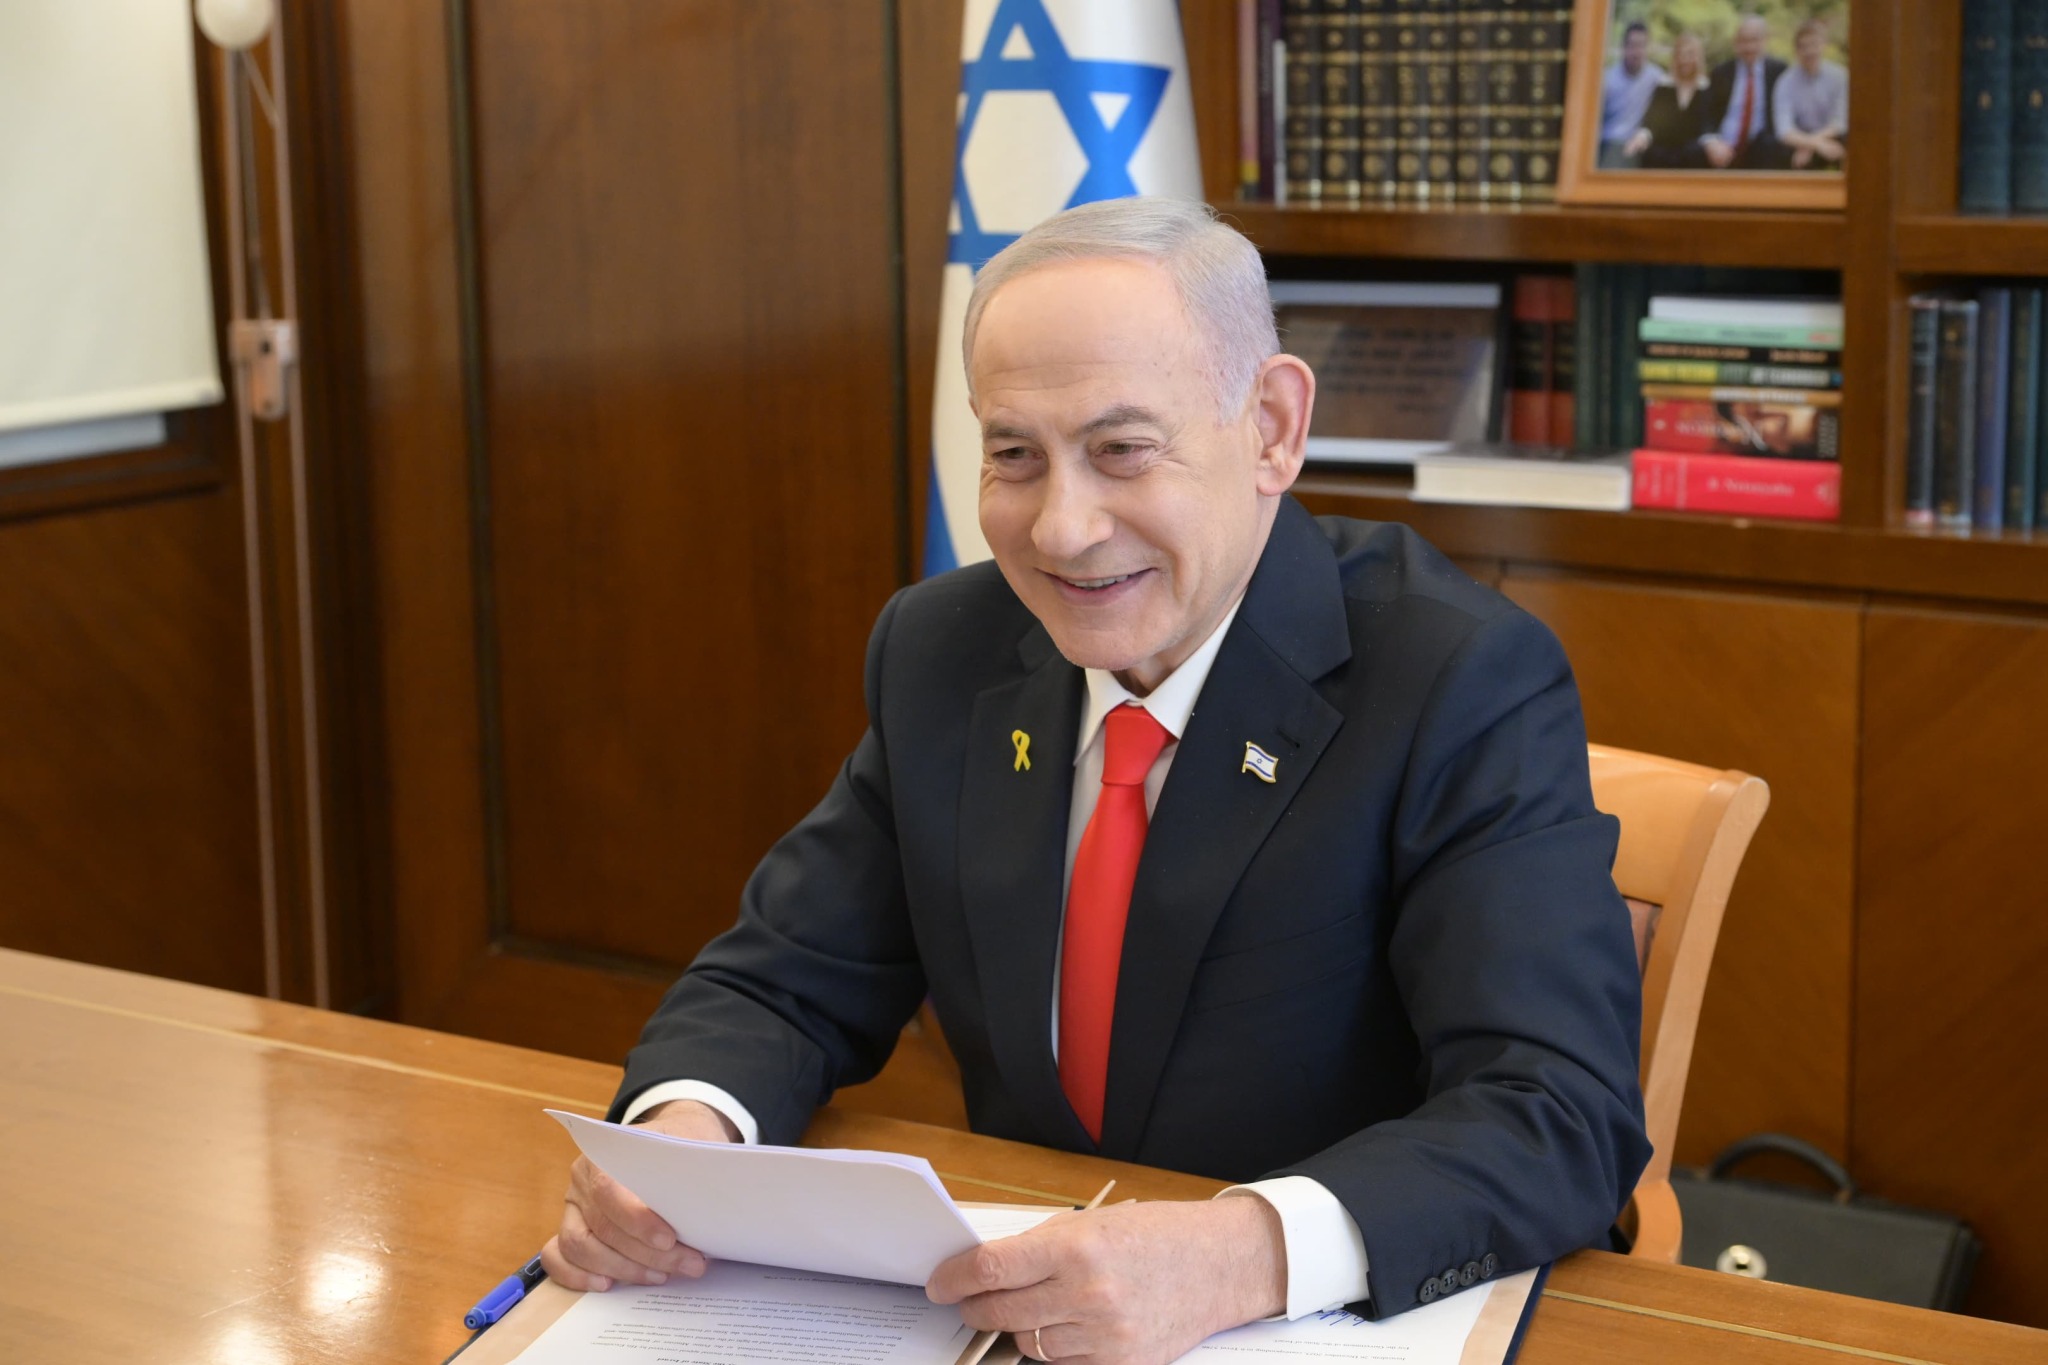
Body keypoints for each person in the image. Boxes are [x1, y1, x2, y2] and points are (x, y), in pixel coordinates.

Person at [538, 198, 1650, 1365]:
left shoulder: (1457, 678)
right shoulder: (943, 650)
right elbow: (783, 983)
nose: (1061, 530)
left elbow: (1555, 1112)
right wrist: (682, 1139)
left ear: (1270, 428)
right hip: (1020, 1318)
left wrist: (1239, 1254)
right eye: (1014, 456)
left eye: (1121, 450)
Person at [1701, 15, 1790, 170]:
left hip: (1761, 147)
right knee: (1694, 152)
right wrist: (1712, 142)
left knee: (1771, 149)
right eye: (1743, 41)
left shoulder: (1779, 71)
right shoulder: (1721, 72)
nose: (1749, 47)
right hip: (1723, 144)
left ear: (1764, 41)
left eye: (1754, 40)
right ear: (1736, 43)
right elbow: (1707, 113)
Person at [1625, 31, 1712, 170]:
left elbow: (1707, 124)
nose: (1684, 60)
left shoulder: (1705, 87)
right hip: (1663, 155)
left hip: (1693, 158)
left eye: (1690, 54)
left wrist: (1711, 142)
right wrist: (1641, 137)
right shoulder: (1664, 85)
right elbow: (1652, 121)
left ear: (1698, 57)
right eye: (1680, 55)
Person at [1773, 18, 1848, 171]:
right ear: (1796, 50)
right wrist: (1815, 144)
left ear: (1824, 45)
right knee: (1776, 149)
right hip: (1798, 139)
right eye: (1803, 46)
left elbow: (1840, 122)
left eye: (1814, 45)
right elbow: (1784, 130)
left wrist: (1811, 144)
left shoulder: (1840, 76)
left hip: (1831, 136)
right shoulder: (1785, 81)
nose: (1809, 52)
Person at [1599, 21, 1665, 167]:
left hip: (1642, 142)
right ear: (1624, 47)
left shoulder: (1656, 77)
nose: (1636, 52)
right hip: (1611, 141)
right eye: (1632, 45)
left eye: (1641, 46)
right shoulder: (1607, 78)